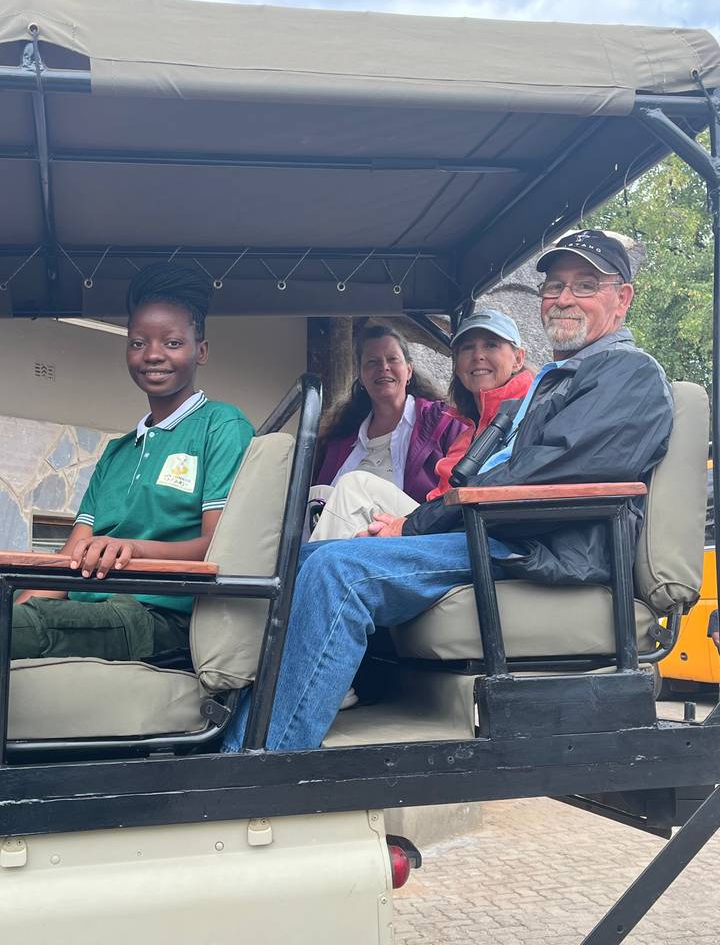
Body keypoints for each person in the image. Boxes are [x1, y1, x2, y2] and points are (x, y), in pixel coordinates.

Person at [223, 228, 674, 752]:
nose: (564, 298)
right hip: (509, 535)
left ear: (623, 298)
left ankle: (261, 757)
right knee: (309, 556)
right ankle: (240, 722)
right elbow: (489, 476)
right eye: (554, 287)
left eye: (585, 285)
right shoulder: (562, 380)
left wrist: (412, 524)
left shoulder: (628, 374)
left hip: (550, 547)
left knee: (338, 570)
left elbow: (544, 482)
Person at [11, 263, 254, 662]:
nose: (153, 354)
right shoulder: (116, 452)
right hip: (87, 609)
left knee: (30, 625)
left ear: (201, 351)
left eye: (173, 343)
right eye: (138, 343)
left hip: (158, 617)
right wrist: (14, 609)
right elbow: (72, 555)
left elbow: (220, 547)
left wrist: (133, 549)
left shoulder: (221, 426)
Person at [310, 310, 534, 540]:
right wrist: (403, 525)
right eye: (467, 348)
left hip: (477, 541)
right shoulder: (468, 431)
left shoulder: (529, 415)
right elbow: (442, 500)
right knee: (318, 496)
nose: (478, 355)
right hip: (438, 526)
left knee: (355, 486)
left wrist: (406, 526)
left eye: (491, 345)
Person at [312, 324, 466, 505]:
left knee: (352, 484)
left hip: (411, 525)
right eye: (372, 362)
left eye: (393, 359)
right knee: (315, 495)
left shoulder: (443, 421)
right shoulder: (340, 436)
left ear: (408, 371)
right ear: (360, 376)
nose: (383, 367)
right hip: (346, 527)